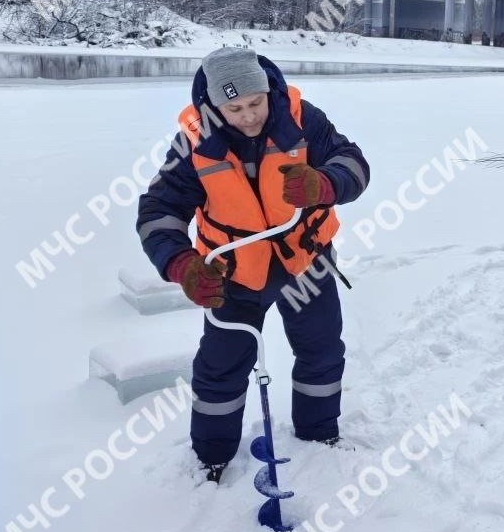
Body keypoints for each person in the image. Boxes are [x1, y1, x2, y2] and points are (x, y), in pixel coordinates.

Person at [136, 47, 370, 482]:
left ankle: (319, 436)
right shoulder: (192, 144)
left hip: (305, 260)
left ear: (268, 91)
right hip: (233, 273)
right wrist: (183, 265)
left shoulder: (303, 119)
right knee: (220, 369)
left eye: (255, 103)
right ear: (213, 106)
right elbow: (158, 211)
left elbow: (354, 163)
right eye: (235, 107)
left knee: (321, 351)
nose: (248, 116)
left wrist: (324, 183)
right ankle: (211, 458)